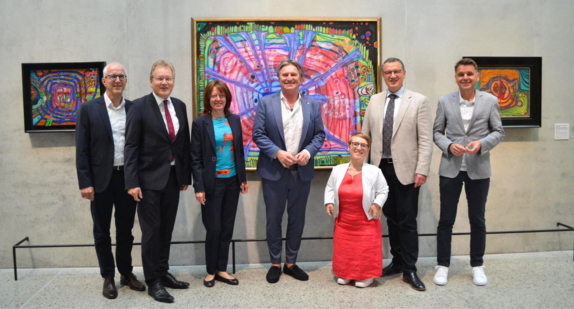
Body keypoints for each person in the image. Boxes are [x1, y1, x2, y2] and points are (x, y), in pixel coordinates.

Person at [362, 57, 433, 291]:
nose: (392, 76)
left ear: (404, 73)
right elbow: (365, 137)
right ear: (383, 75)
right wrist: (362, 167)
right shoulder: (374, 100)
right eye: (388, 72)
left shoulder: (419, 101)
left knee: (408, 221)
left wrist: (422, 169)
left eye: (396, 72)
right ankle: (398, 261)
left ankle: (410, 269)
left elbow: (425, 139)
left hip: (407, 171)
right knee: (390, 218)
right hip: (379, 170)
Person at [252, 59, 326, 283]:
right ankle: (275, 263)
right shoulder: (266, 103)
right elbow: (258, 134)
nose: (289, 78)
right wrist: (277, 153)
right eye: (285, 75)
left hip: (301, 172)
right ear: (279, 78)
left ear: (300, 78)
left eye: (293, 74)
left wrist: (308, 152)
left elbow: (319, 135)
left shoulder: (313, 105)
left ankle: (290, 263)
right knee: (273, 219)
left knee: (297, 219)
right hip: (273, 171)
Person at [76, 62, 145, 299]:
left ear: (126, 80)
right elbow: (82, 149)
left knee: (126, 230)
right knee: (101, 231)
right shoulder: (89, 109)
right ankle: (108, 276)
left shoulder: (135, 108)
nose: (117, 80)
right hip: (100, 180)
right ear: (103, 81)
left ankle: (126, 273)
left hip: (128, 179)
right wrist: (85, 182)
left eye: (121, 76)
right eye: (112, 76)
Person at [432, 58, 505, 286]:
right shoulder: (445, 101)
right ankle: (442, 265)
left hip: (479, 168)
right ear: (456, 77)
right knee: (446, 220)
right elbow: (436, 132)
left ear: (477, 76)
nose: (465, 78)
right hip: (450, 168)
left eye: (470, 74)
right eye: (461, 74)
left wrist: (482, 144)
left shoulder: (490, 100)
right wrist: (448, 145)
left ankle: (477, 265)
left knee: (477, 219)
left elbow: (499, 131)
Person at [124, 60, 191, 303]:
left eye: (168, 78)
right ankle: (153, 281)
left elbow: (183, 143)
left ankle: (163, 273)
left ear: (173, 81)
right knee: (151, 233)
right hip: (147, 181)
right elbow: (130, 146)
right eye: (160, 78)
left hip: (173, 179)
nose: (165, 83)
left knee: (166, 230)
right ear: (151, 81)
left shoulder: (180, 106)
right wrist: (131, 182)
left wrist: (184, 176)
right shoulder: (139, 107)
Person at [191, 80, 248, 288]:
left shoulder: (234, 120)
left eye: (221, 95)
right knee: (213, 228)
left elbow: (239, 153)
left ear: (227, 98)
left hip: (232, 182)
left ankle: (222, 269)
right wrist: (199, 187)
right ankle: (210, 270)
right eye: (214, 95)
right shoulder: (200, 123)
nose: (218, 99)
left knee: (226, 227)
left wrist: (242, 178)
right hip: (211, 183)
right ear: (208, 99)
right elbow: (195, 158)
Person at [324, 133, 389, 288]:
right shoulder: (338, 170)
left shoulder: (375, 171)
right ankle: (346, 273)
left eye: (363, 145)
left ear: (367, 150)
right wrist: (329, 202)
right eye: (355, 144)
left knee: (365, 250)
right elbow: (330, 188)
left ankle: (366, 276)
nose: (359, 148)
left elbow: (383, 190)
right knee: (344, 250)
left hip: (365, 222)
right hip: (344, 221)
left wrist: (377, 204)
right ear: (349, 146)